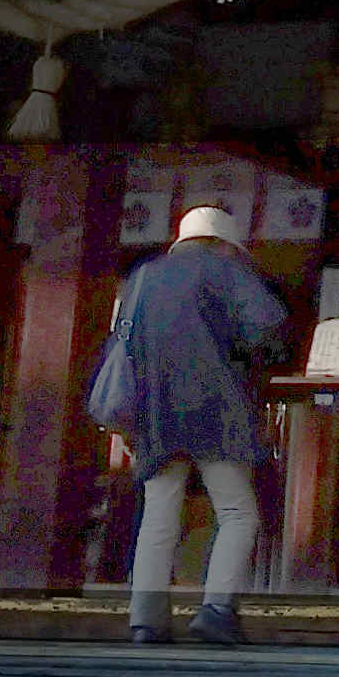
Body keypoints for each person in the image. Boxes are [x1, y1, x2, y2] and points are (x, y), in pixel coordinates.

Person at [117, 205, 288, 645]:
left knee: (158, 516)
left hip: (155, 411)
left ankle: (146, 621)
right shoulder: (226, 270)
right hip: (216, 408)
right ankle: (215, 610)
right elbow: (266, 327)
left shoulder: (144, 276)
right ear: (224, 243)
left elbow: (124, 343)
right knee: (237, 513)